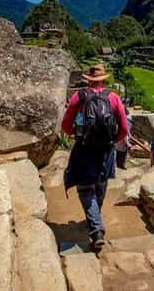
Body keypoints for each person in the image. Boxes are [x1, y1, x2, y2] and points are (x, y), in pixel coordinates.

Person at [61, 64, 128, 249]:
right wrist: (113, 141)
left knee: (85, 189)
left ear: (88, 80)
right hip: (106, 150)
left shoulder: (79, 97)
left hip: (84, 149)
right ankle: (95, 217)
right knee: (101, 184)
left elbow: (66, 125)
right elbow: (124, 128)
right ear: (104, 80)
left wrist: (75, 133)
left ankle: (96, 229)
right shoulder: (113, 98)